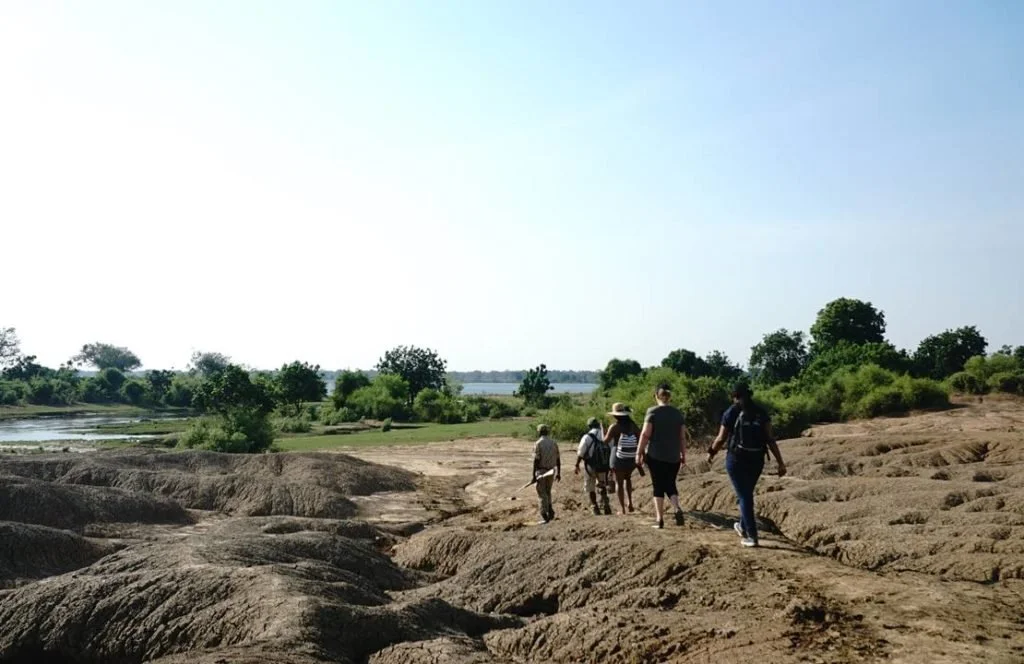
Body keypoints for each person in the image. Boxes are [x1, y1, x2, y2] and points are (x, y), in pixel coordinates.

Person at [706, 382, 787, 547]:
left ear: (734, 396)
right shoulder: (761, 412)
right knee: (746, 494)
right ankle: (742, 526)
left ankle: (752, 535)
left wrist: (711, 453)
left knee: (744, 496)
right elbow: (770, 439)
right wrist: (780, 463)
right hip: (757, 459)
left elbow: (721, 438)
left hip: (736, 459)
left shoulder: (731, 412)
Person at [636, 383, 687, 528]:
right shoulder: (677, 414)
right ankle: (677, 508)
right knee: (670, 484)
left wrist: (639, 452)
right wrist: (683, 454)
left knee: (658, 486)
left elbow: (646, 434)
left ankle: (659, 519)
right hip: (673, 456)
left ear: (655, 396)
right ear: (669, 397)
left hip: (655, 456)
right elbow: (682, 437)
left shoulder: (652, 412)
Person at [604, 403, 643, 515]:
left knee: (619, 483)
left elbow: (605, 441)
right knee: (628, 479)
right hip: (631, 458)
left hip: (618, 458)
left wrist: (603, 431)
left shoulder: (614, 427)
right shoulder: (632, 425)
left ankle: (622, 509)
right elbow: (640, 437)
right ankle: (630, 503)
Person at [574, 417, 612, 515]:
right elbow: (610, 448)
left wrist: (577, 464)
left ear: (589, 426)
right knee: (602, 484)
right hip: (603, 466)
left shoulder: (587, 437)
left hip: (591, 466)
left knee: (590, 487)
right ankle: (606, 504)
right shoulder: (605, 434)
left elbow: (581, 453)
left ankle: (595, 507)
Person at [532, 424, 562, 523]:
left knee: (542, 493)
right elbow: (558, 459)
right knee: (548, 491)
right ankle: (550, 510)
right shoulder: (553, 442)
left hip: (541, 471)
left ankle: (544, 514)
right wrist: (558, 473)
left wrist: (533, 475)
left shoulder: (538, 443)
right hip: (551, 471)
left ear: (539, 432)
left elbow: (536, 460)